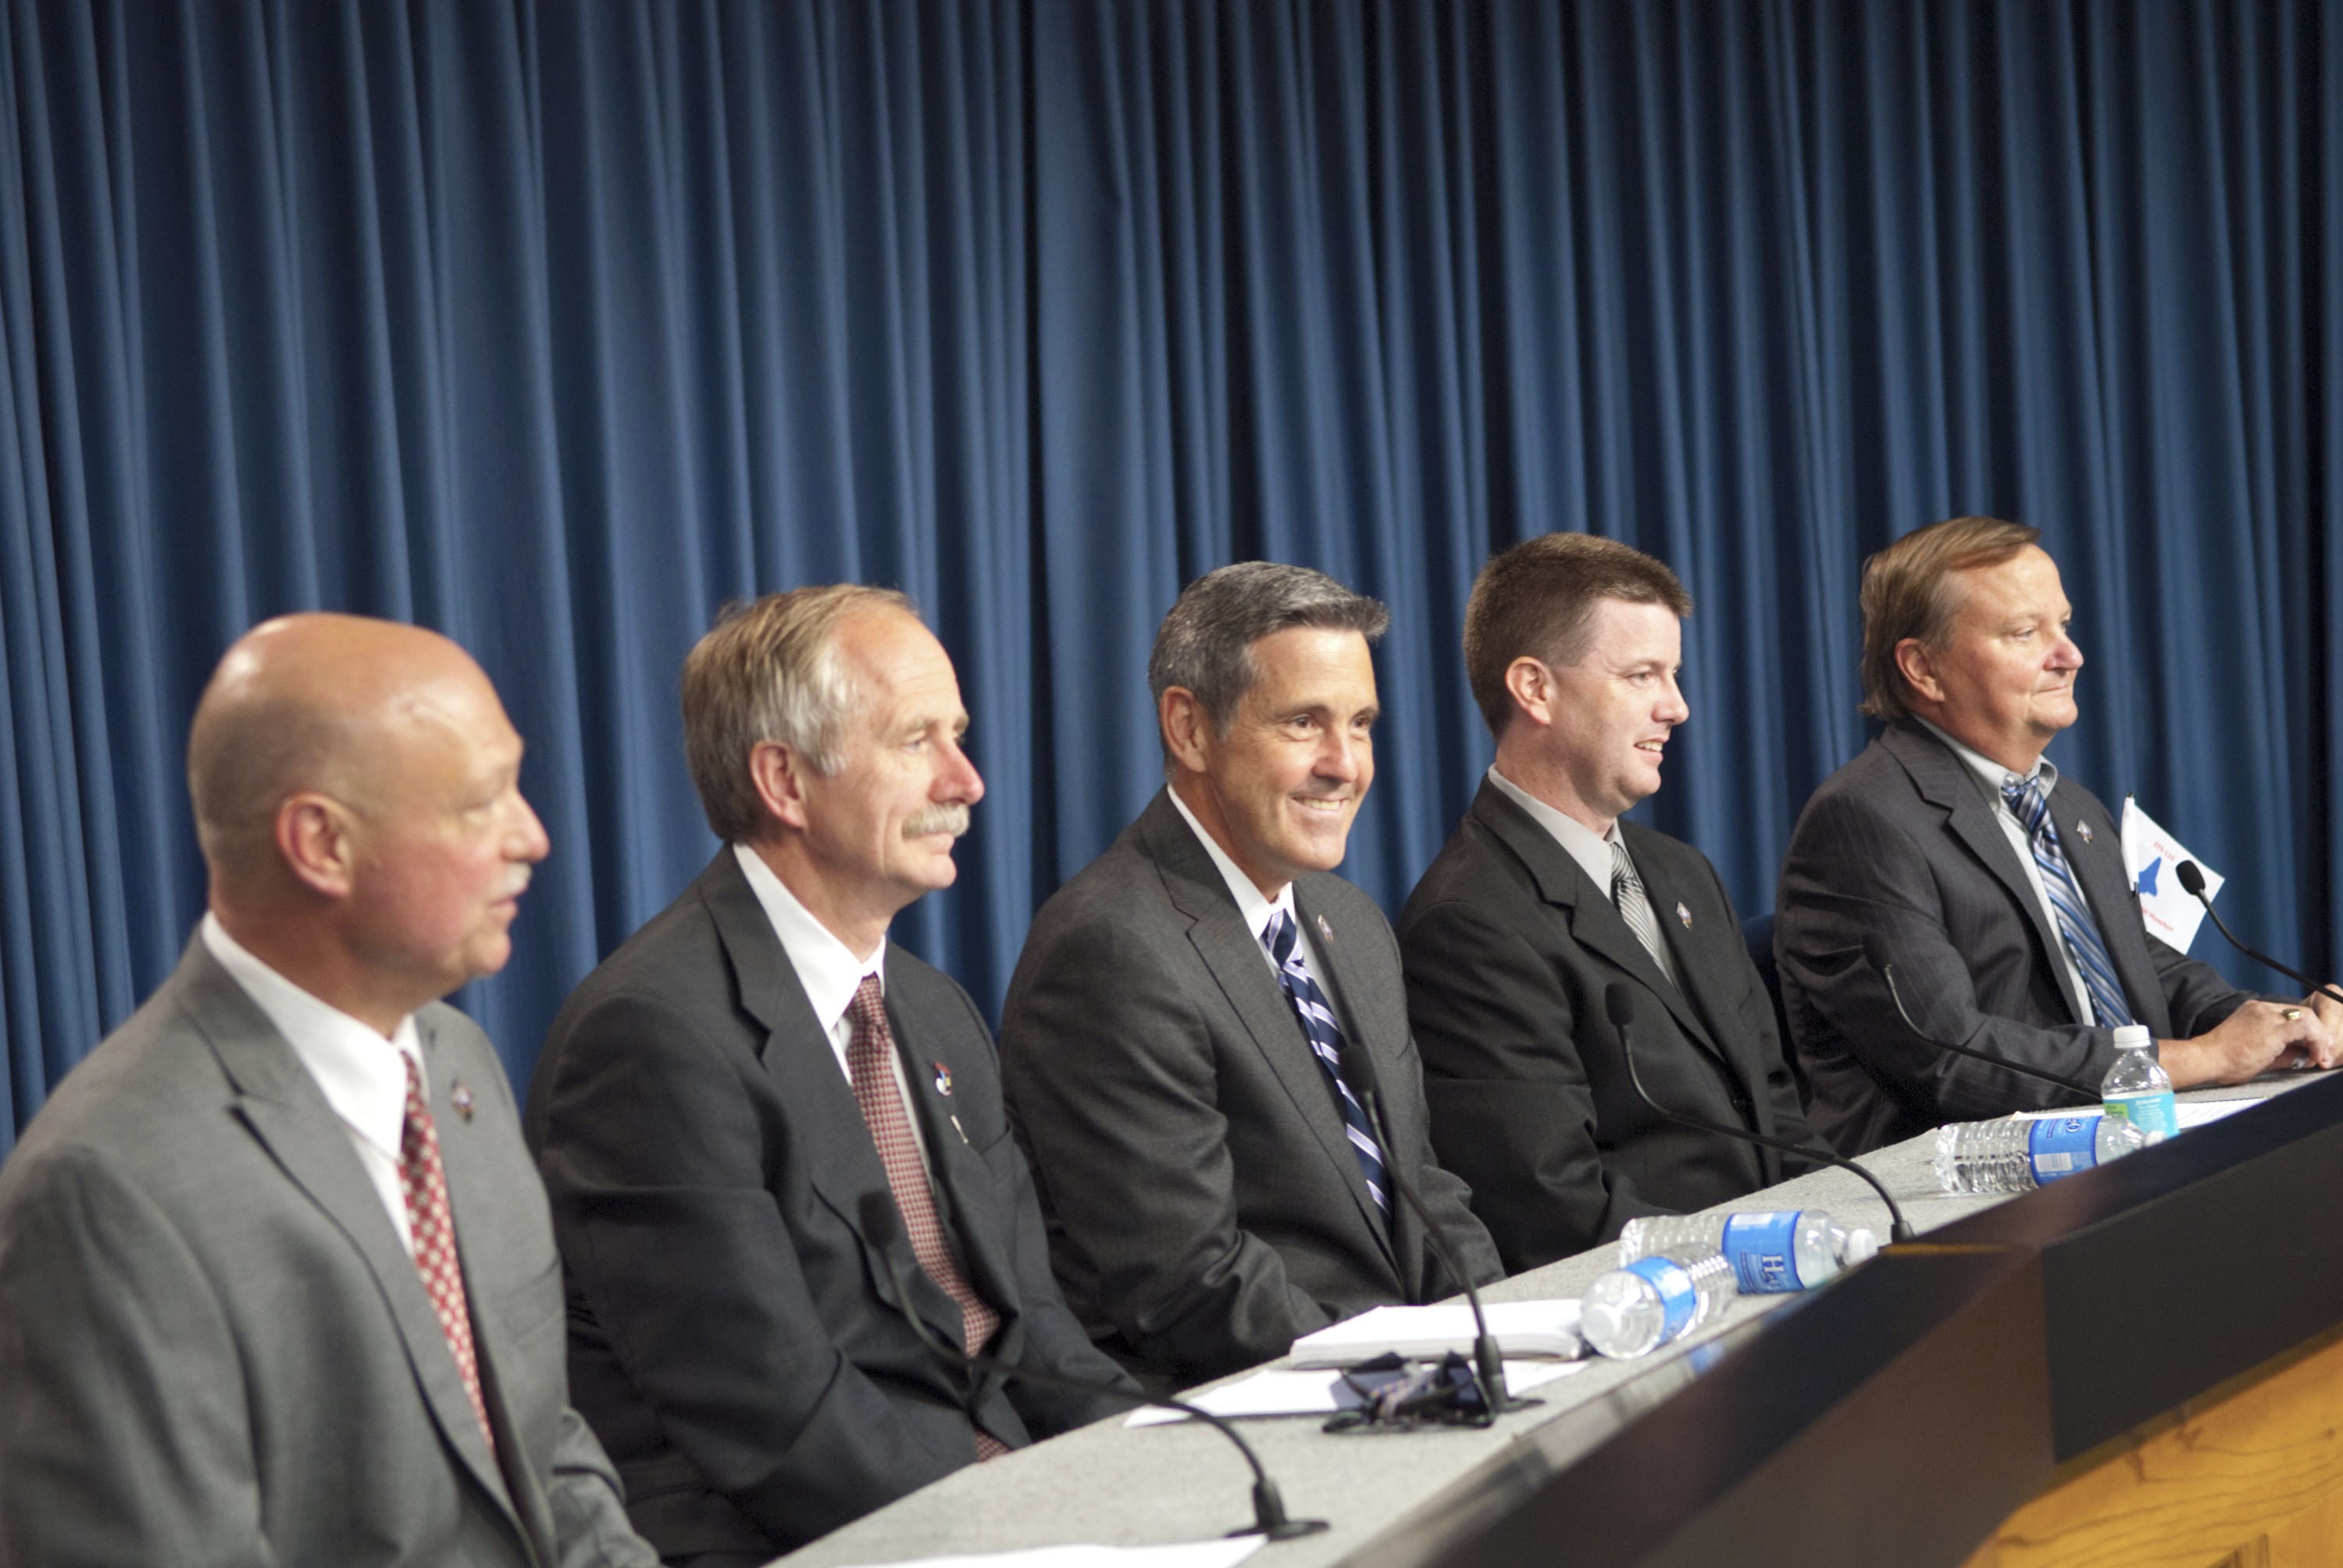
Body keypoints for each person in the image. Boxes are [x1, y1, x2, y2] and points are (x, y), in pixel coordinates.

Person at [0, 614, 655, 1567]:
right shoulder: (106, 1191)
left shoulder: (457, 1059)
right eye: (482, 801)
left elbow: (541, 1443)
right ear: (322, 844)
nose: (536, 835)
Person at [527, 586, 1133, 1565]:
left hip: (1002, 1503)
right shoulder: (650, 1036)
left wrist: (1163, 1472)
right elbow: (777, 1419)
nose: (969, 779)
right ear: (786, 780)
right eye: (915, 742)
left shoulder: (934, 1007)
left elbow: (1036, 1323)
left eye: (960, 735)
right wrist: (1017, 1533)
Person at [999, 561, 1502, 1391]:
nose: (1346, 764)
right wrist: (1421, 1372)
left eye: (1363, 723)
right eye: (1305, 722)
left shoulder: (1352, 923)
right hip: (1250, 1412)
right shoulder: (1111, 949)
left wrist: (1503, 1335)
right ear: (1190, 729)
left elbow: (1428, 1192)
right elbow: (1191, 1283)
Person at [1776, 515, 2342, 1153]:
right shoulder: (1865, 820)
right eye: (2024, 633)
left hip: (2122, 1152)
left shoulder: (2067, 803)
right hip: (1967, 1190)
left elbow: (2146, 972)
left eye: (2064, 626)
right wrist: (2206, 1058)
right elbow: (1951, 1057)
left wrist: (2288, 1024)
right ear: (1923, 668)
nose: (2069, 655)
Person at [1397, 534, 1828, 1274]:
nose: (1678, 707)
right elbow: (1555, 1211)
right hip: (1662, 1311)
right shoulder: (1469, 922)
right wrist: (1757, 1264)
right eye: (1642, 675)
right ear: (1535, 688)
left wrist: (1839, 1234)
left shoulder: (1684, 874)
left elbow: (1779, 1113)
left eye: (1674, 674)